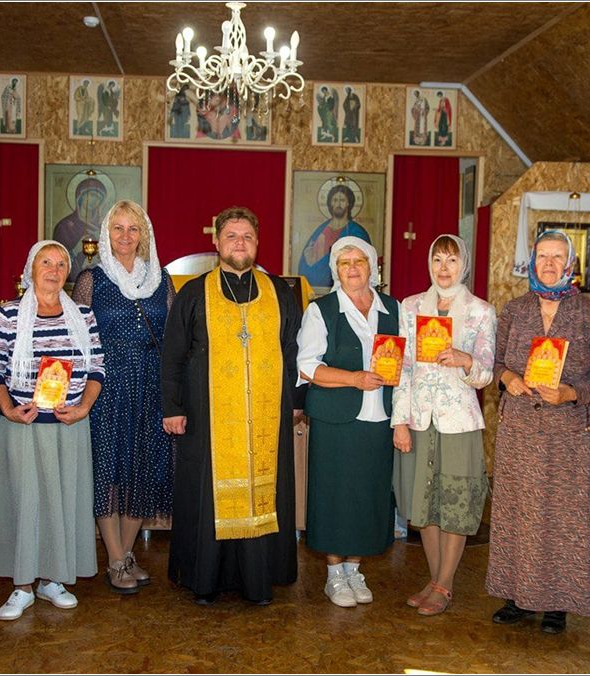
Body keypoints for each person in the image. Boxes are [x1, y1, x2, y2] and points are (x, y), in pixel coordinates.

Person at [161, 206, 304, 605]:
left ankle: (259, 579)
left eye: (247, 237)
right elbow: (172, 355)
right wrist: (172, 406)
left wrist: (296, 401)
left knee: (263, 491)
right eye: (231, 236)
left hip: (266, 417)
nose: (239, 243)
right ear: (217, 242)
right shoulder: (194, 293)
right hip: (207, 418)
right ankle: (205, 579)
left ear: (257, 243)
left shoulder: (280, 293)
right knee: (208, 495)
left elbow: (294, 351)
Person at [485, 229, 590, 635]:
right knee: (515, 513)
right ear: (531, 262)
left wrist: (571, 392)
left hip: (569, 433)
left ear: (571, 265)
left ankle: (558, 603)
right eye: (542, 257)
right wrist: (509, 379)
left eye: (558, 257)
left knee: (563, 517)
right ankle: (515, 596)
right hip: (519, 428)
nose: (550, 264)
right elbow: (494, 364)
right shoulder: (515, 310)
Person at [0, 240, 105, 620]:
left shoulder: (83, 315)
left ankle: (53, 580)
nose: (53, 271)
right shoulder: (7, 315)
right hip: (24, 425)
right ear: (31, 268)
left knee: (62, 501)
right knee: (24, 502)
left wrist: (83, 407)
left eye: (60, 264)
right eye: (45, 262)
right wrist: (8, 409)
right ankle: (22, 585)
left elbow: (97, 368)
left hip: (69, 426)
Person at [72, 201, 175, 594]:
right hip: (107, 385)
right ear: (106, 233)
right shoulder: (92, 280)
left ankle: (126, 554)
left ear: (144, 234)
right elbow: (77, 339)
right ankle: (115, 560)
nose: (126, 236)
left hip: (151, 384)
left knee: (142, 469)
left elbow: (173, 337)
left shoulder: (161, 279)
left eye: (134, 228)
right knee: (108, 470)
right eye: (118, 228)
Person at [392, 234, 495, 616]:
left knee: (455, 503)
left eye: (451, 260)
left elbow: (485, 373)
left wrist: (466, 361)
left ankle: (445, 584)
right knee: (423, 504)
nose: (444, 268)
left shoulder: (480, 311)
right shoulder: (411, 306)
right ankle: (435, 579)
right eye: (437, 260)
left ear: (463, 264)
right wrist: (400, 421)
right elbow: (402, 368)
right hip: (419, 419)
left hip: (459, 422)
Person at [296, 236, 399, 608]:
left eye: (359, 261)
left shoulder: (392, 307)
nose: (353, 268)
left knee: (368, 496)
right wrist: (354, 378)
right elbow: (307, 367)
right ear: (335, 270)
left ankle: (355, 570)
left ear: (372, 266)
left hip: (379, 418)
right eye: (344, 262)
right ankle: (334, 575)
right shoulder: (321, 310)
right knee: (334, 495)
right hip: (336, 420)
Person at [298, 184, 372, 288]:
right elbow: (307, 264)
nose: (338, 204)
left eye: (342, 200)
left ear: (348, 203)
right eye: (335, 200)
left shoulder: (357, 232)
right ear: (331, 203)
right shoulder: (321, 231)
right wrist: (308, 259)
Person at [53, 176, 111, 281]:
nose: (94, 200)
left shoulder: (102, 227)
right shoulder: (65, 226)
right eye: (91, 195)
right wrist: (77, 249)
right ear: (80, 197)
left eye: (99, 198)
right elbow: (57, 259)